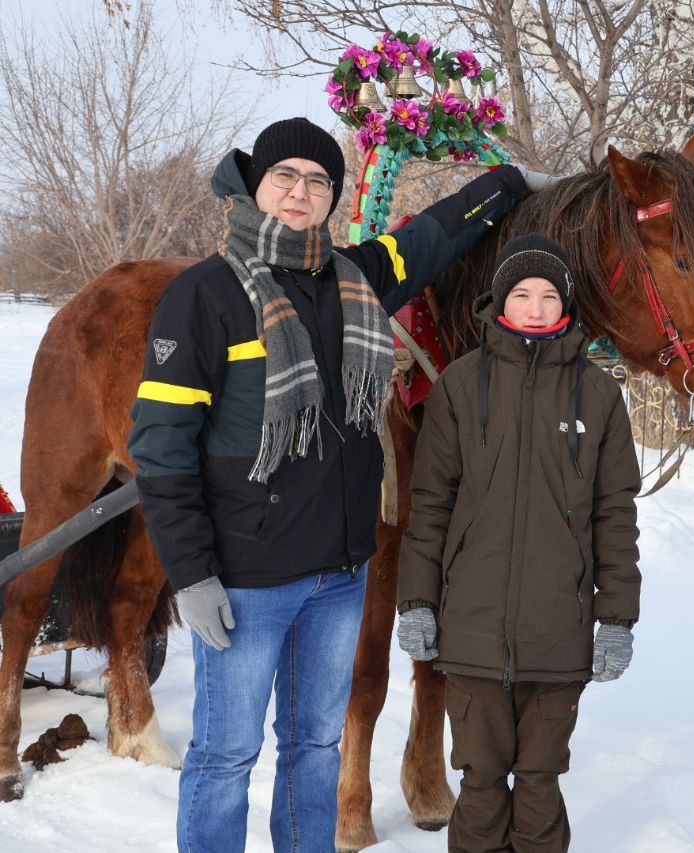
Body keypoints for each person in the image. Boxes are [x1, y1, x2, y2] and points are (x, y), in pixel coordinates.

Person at [126, 116, 548, 852]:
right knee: (225, 757)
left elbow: (432, 238)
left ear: (332, 195)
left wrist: (508, 185)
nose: (301, 191)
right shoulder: (205, 295)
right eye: (285, 176)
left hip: (338, 577)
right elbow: (161, 450)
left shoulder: (353, 278)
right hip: (245, 582)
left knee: (316, 747)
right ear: (254, 186)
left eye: (318, 180)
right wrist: (190, 573)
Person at [395, 234, 642, 853]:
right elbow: (430, 507)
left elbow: (615, 515)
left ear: (567, 307)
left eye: (549, 295)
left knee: (539, 783)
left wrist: (615, 617)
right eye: (523, 294)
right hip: (472, 630)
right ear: (501, 301)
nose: (536, 307)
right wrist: (416, 603)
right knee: (479, 784)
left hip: (558, 630)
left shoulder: (599, 395)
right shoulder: (459, 386)